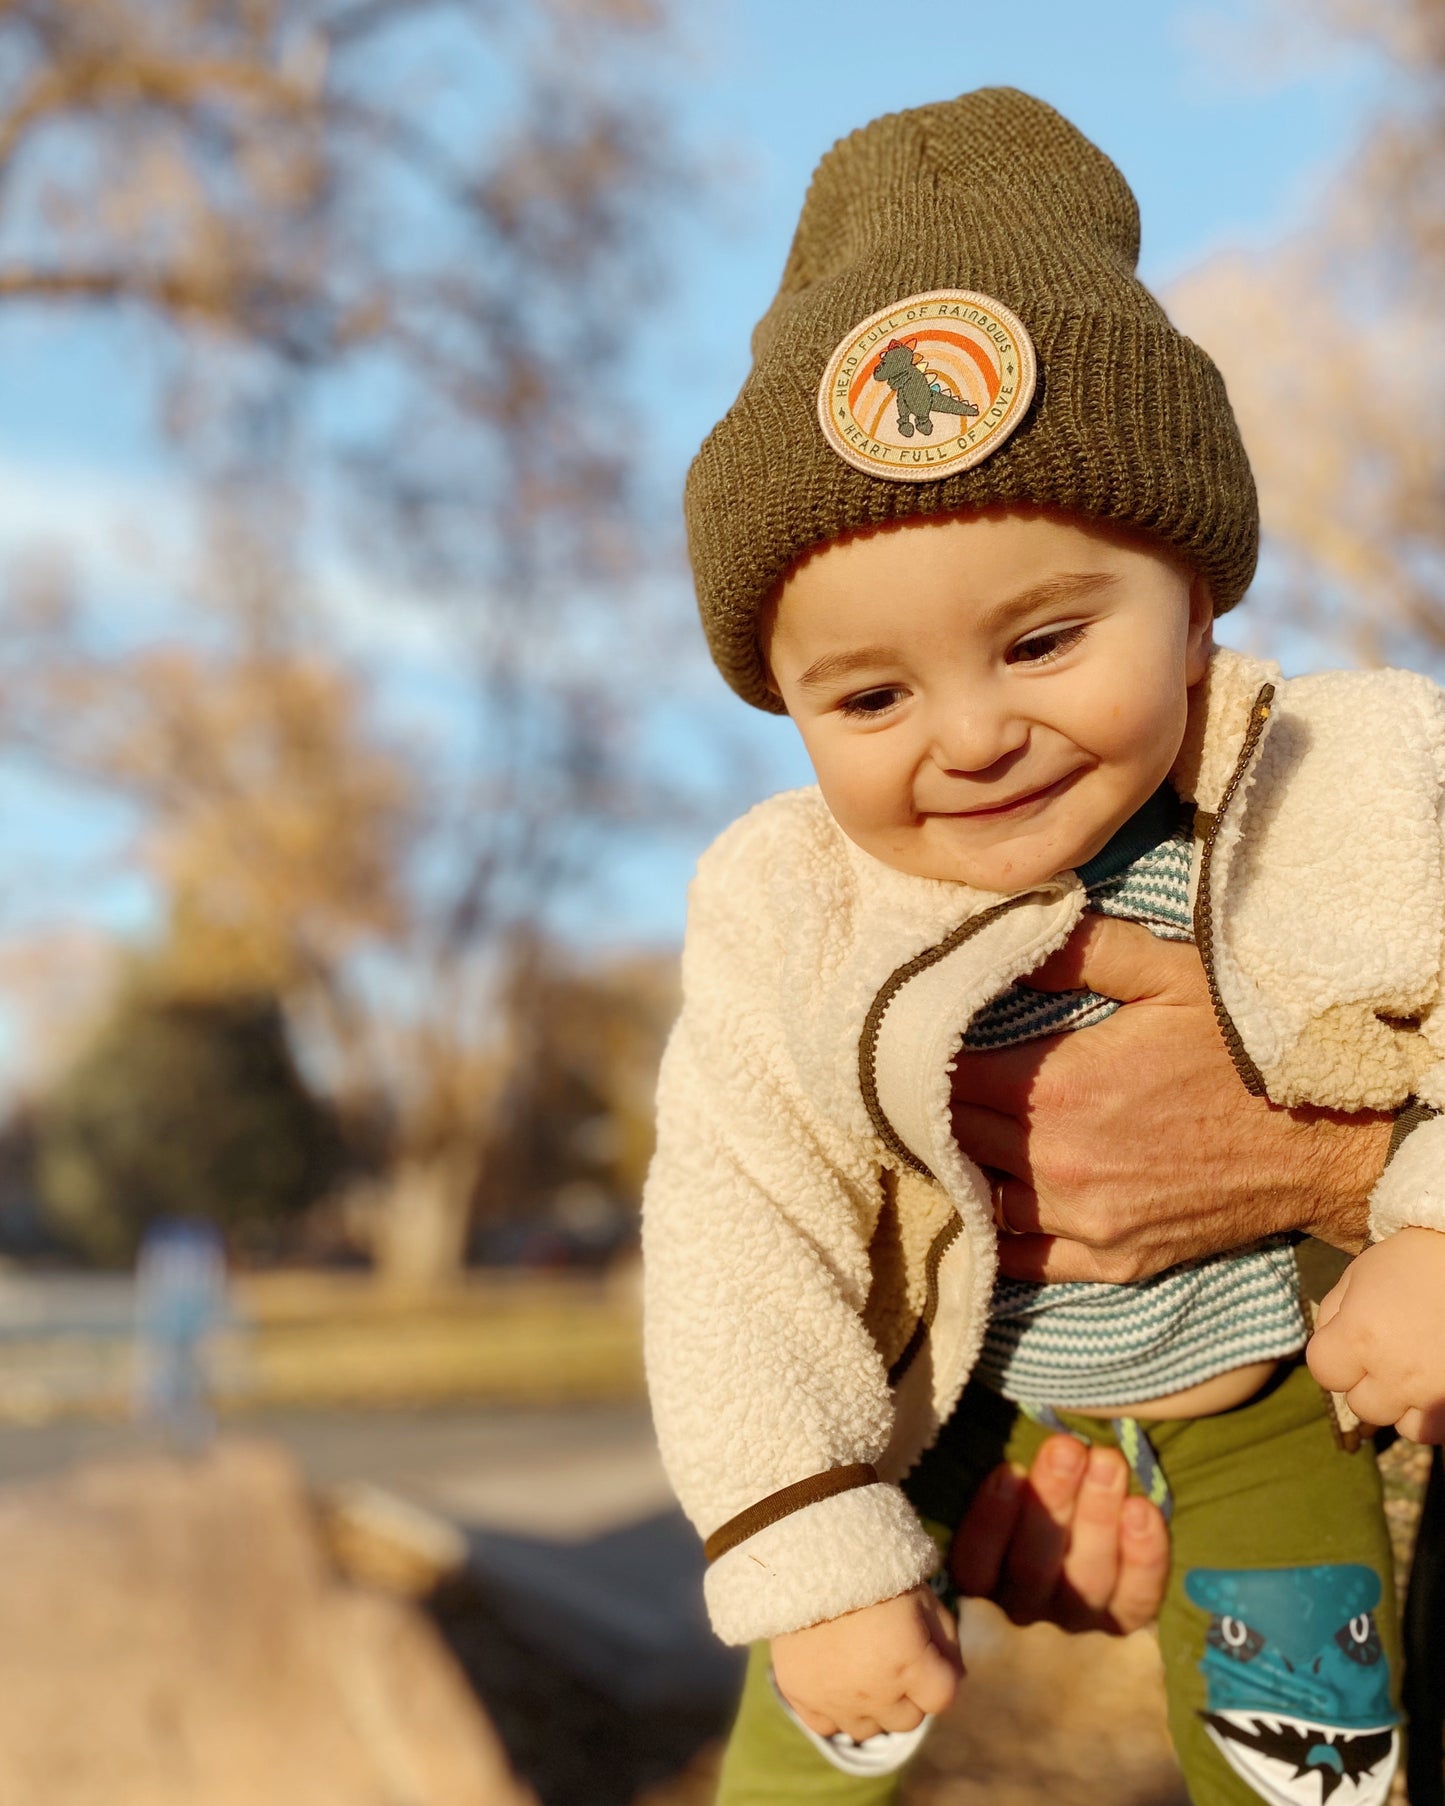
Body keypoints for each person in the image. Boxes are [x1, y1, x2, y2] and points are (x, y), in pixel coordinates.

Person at [643, 87, 1445, 1805]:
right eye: (867, 694)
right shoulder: (791, 904)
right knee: (814, 1714)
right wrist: (803, 1532)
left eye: (1044, 638)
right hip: (937, 1405)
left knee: (1310, 1757)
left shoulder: (1343, 782)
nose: (969, 735)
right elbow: (734, 1217)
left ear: (1198, 600)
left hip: (1269, 1410)